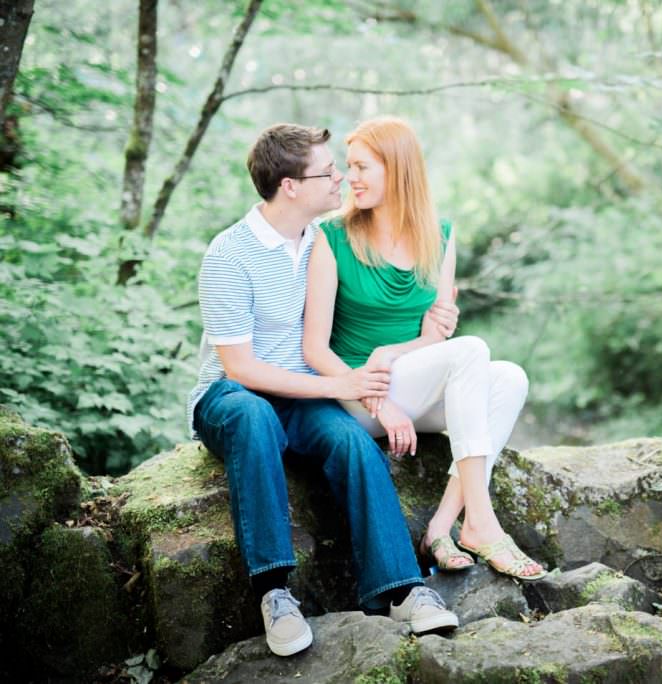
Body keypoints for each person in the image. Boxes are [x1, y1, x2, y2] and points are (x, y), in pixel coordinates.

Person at [187, 123, 459, 658]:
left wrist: (431, 324)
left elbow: (390, 279)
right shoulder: (229, 254)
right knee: (253, 417)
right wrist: (342, 383)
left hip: (303, 395)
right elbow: (239, 368)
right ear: (290, 185)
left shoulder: (322, 240)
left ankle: (401, 588)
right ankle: (274, 592)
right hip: (231, 397)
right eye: (328, 171)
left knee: (353, 440)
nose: (340, 178)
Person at [303, 116, 545, 581]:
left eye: (361, 167)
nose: (349, 178)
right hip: (361, 398)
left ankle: (441, 526)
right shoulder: (331, 237)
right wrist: (376, 399)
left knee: (511, 377)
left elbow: (437, 337)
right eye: (349, 167)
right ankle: (481, 522)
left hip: (412, 387)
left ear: (398, 169)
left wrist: (401, 349)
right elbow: (314, 349)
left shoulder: (441, 234)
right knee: (472, 349)